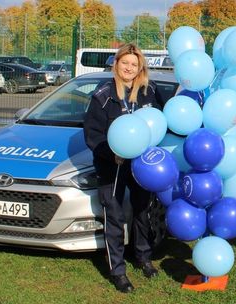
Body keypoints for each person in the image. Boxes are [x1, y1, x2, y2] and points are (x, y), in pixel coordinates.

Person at [83, 43, 161, 293]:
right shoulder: (103, 95)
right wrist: (111, 154)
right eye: (124, 63)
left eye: (134, 64)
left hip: (142, 164)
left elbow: (161, 124)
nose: (129, 68)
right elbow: (92, 134)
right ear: (116, 64)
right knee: (114, 216)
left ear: (140, 68)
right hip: (112, 164)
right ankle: (118, 271)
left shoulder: (149, 92)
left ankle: (143, 257)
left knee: (142, 210)